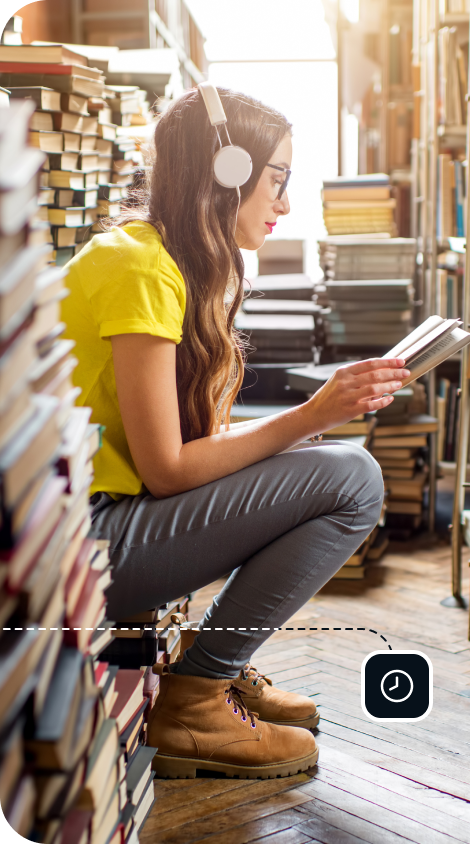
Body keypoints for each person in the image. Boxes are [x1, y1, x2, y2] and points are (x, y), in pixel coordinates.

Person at [61, 85, 410, 780]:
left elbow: (164, 452)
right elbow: (166, 469)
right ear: (227, 175)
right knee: (352, 478)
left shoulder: (155, 258)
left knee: (328, 467)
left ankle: (212, 667)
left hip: (90, 527)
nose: (284, 203)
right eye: (277, 181)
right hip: (77, 549)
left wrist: (293, 438)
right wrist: (309, 418)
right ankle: (195, 699)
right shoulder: (140, 268)